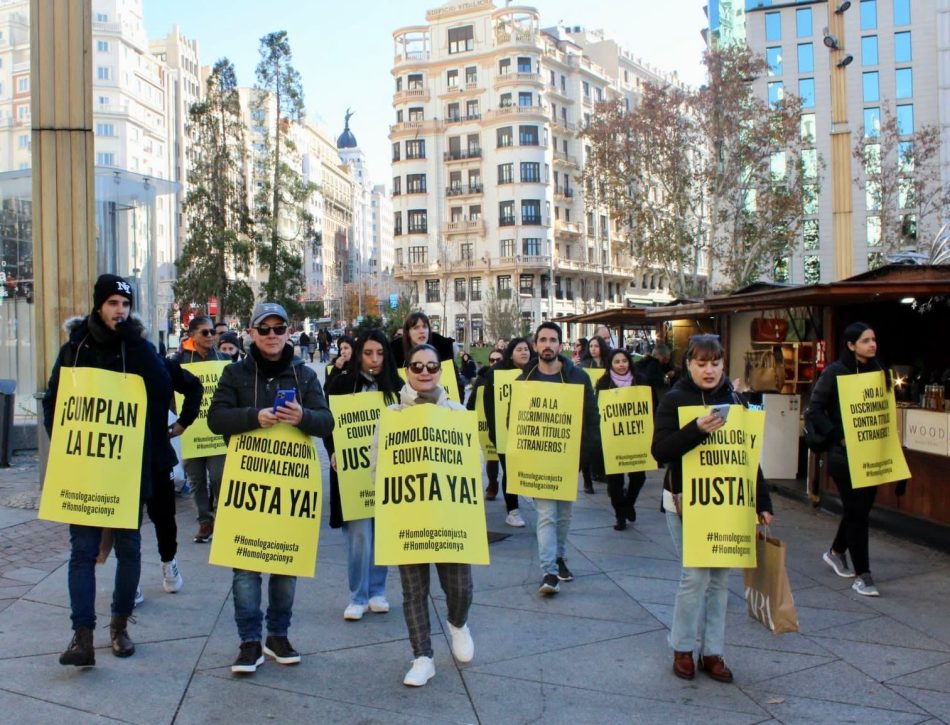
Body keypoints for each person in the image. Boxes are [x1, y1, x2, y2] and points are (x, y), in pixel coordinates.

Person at [44, 274, 172, 666]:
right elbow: (55, 400)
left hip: (128, 468)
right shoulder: (75, 347)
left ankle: (119, 626)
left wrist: (138, 344)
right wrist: (67, 444)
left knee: (129, 548)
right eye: (114, 303)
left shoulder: (138, 347)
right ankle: (82, 635)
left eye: (125, 304)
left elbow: (163, 389)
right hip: (85, 466)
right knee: (82, 551)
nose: (120, 311)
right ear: (100, 304)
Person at [207, 302, 334, 674]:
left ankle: (278, 635)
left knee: (285, 563)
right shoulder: (234, 373)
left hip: (290, 486)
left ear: (288, 332)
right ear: (251, 333)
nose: (273, 336)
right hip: (247, 485)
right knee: (245, 567)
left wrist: (303, 417)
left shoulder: (304, 376)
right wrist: (252, 417)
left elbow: (326, 422)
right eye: (265, 329)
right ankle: (249, 642)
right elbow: (215, 419)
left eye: (279, 329)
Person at [651, 334, 773, 683]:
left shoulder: (734, 399)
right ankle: (683, 648)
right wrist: (697, 430)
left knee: (720, 579)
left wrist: (762, 502)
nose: (709, 370)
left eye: (715, 363)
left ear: (723, 364)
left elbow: (747, 455)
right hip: (685, 502)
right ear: (689, 364)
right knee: (695, 576)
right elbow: (660, 452)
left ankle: (714, 652)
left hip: (725, 500)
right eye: (701, 363)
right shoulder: (675, 399)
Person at [369, 343, 475, 687]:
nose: (425, 372)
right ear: (407, 372)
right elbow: (377, 468)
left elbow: (474, 465)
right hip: (407, 515)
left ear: (440, 372)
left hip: (449, 515)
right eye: (417, 366)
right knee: (414, 592)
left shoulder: (458, 413)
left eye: (431, 366)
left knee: (460, 587)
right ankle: (423, 656)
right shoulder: (392, 419)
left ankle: (458, 623)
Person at [805, 322, 898, 597]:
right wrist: (838, 436)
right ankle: (863, 575)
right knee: (858, 514)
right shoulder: (835, 373)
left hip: (871, 455)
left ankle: (835, 552)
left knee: (859, 510)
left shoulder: (880, 372)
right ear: (851, 345)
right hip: (843, 456)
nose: (872, 344)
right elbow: (814, 411)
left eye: (874, 339)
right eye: (866, 340)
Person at [518, 322, 600, 595]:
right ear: (535, 345)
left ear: (561, 345)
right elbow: (515, 420)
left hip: (568, 458)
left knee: (563, 515)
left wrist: (585, 454)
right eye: (543, 340)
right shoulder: (524, 381)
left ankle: (560, 557)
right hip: (538, 459)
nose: (548, 345)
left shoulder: (578, 377)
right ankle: (549, 572)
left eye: (553, 340)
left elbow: (591, 417)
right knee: (546, 515)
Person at [324, 329, 401, 621]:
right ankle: (357, 596)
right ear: (358, 355)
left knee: (381, 534)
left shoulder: (397, 386)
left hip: (386, 472)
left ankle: (377, 591)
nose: (374, 359)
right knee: (359, 536)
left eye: (380, 353)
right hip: (351, 473)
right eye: (368, 353)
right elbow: (328, 423)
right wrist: (332, 450)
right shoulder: (342, 384)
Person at [171, 316, 230, 544]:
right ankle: (205, 522)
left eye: (212, 332)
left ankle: (221, 517)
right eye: (204, 332)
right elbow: (170, 393)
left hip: (215, 432)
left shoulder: (224, 360)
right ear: (192, 335)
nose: (210, 336)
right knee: (195, 480)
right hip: (191, 432)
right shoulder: (179, 361)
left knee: (219, 476)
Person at [483, 337, 535, 527]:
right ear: (510, 353)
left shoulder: (537, 372)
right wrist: (495, 432)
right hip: (504, 433)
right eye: (519, 349)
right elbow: (489, 405)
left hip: (530, 433)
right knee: (510, 471)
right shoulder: (497, 373)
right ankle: (512, 511)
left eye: (527, 349)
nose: (524, 352)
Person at [595, 349, 647, 530]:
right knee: (615, 482)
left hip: (636, 438)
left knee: (639, 477)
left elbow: (651, 405)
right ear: (611, 364)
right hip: (613, 440)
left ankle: (629, 503)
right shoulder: (603, 384)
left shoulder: (640, 380)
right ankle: (620, 515)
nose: (621, 365)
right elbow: (598, 410)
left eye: (624, 361)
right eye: (617, 361)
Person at [466, 349, 504, 509]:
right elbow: (473, 401)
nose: (495, 363)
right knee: (492, 457)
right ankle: (493, 484)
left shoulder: (513, 376)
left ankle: (510, 494)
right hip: (488, 424)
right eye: (492, 360)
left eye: (498, 360)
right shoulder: (483, 378)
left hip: (506, 424)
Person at [392, 312, 462, 400]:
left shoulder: (443, 352)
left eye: (424, 327)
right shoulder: (396, 356)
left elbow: (457, 385)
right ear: (408, 333)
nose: (422, 331)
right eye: (416, 328)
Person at [636, 342, 673, 410]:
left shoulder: (643, 362)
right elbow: (653, 378)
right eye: (665, 358)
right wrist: (666, 377)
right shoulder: (654, 364)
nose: (666, 361)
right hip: (649, 397)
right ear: (659, 355)